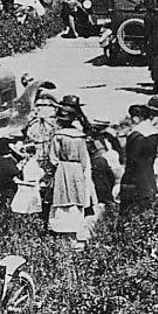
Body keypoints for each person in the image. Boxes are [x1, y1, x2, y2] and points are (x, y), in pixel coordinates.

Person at [47, 104, 95, 248]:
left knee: (62, 200)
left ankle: (63, 238)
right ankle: (74, 236)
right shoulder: (80, 136)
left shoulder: (58, 136)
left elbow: (53, 158)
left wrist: (57, 168)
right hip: (78, 170)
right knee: (76, 200)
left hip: (63, 170)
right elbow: (84, 160)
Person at [119, 104, 158, 217]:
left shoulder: (136, 135)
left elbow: (132, 160)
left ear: (138, 117)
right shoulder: (154, 133)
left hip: (135, 177)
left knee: (131, 210)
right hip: (149, 174)